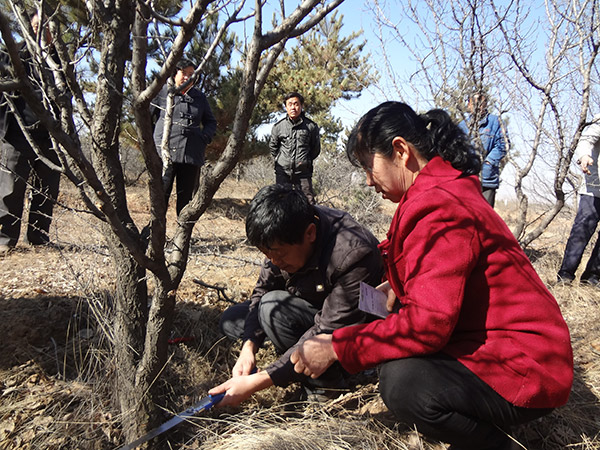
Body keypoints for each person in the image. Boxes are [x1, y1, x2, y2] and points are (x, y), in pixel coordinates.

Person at [289, 102, 573, 450]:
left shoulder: (441, 207)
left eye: (368, 165)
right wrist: (396, 282)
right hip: (502, 346)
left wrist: (337, 347)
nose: (367, 180)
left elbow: (426, 326)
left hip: (526, 364)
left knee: (405, 382)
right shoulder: (436, 192)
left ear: (400, 150)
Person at [210, 183, 383, 404]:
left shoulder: (353, 255)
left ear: (310, 233)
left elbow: (328, 329)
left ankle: (326, 384)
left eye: (279, 255)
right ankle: (287, 347)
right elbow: (262, 289)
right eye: (267, 254)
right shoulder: (284, 232)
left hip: (347, 331)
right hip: (308, 303)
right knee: (233, 320)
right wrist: (248, 349)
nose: (274, 262)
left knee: (272, 308)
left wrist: (257, 382)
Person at [0, 12, 62, 253]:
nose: (41, 30)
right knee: (11, 189)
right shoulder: (10, 54)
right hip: (17, 133)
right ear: (27, 27)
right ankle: (5, 239)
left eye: (46, 27)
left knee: (47, 189)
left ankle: (39, 237)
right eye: (36, 25)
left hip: (51, 136)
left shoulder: (59, 61)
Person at [151, 58, 217, 216]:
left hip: (191, 155)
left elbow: (211, 122)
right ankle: (153, 236)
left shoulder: (199, 97)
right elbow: (146, 119)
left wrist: (204, 138)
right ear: (175, 73)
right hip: (165, 154)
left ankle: (182, 237)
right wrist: (153, 141)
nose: (187, 77)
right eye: (184, 73)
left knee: (186, 201)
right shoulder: (161, 92)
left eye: (191, 74)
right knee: (160, 197)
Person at [557, 114, 600, 285]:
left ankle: (592, 278)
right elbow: (587, 140)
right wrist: (584, 156)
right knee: (581, 231)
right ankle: (565, 275)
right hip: (594, 187)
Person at [269, 92, 320, 204]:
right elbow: (273, 147)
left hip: (303, 173)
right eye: (290, 104)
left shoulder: (311, 126)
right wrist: (282, 160)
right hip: (283, 172)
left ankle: (309, 222)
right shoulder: (278, 127)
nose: (293, 107)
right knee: (281, 202)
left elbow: (315, 149)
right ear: (286, 107)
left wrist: (304, 161)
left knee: (308, 202)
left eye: (296, 104)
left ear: (301, 106)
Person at [459, 92, 508, 207]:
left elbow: (503, 145)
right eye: (474, 103)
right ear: (469, 105)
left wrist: (488, 163)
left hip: (487, 179)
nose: (478, 106)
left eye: (481, 103)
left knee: (485, 219)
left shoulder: (496, 122)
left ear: (486, 104)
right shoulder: (462, 125)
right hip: (466, 179)